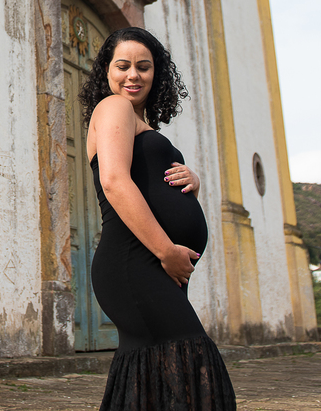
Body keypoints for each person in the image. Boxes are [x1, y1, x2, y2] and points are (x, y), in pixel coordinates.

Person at [79, 27, 236, 410]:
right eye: (123, 66)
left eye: (144, 67)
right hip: (138, 262)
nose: (133, 75)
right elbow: (115, 182)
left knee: (154, 379)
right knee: (193, 362)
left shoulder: (140, 122)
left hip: (155, 264)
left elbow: (145, 183)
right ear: (106, 72)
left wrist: (190, 183)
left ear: (157, 75)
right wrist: (167, 251)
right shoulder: (113, 107)